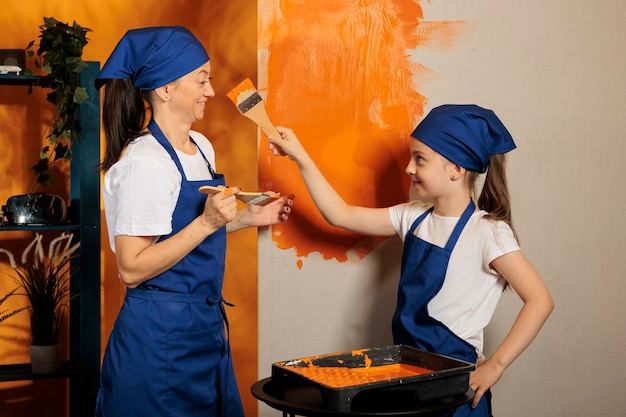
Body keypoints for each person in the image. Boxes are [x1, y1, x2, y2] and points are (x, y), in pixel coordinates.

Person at [267, 104, 554, 416]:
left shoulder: (487, 233)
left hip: (456, 393)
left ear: (455, 169)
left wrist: (495, 367)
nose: (408, 168)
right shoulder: (412, 216)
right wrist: (299, 156)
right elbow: (339, 214)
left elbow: (540, 300)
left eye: (420, 159)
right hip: (406, 382)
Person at [94, 26, 294, 417]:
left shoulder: (202, 147)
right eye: (201, 80)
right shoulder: (143, 164)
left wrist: (246, 217)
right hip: (157, 339)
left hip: (203, 330)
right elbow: (132, 268)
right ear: (166, 89)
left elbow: (185, 228)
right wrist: (206, 223)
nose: (211, 91)